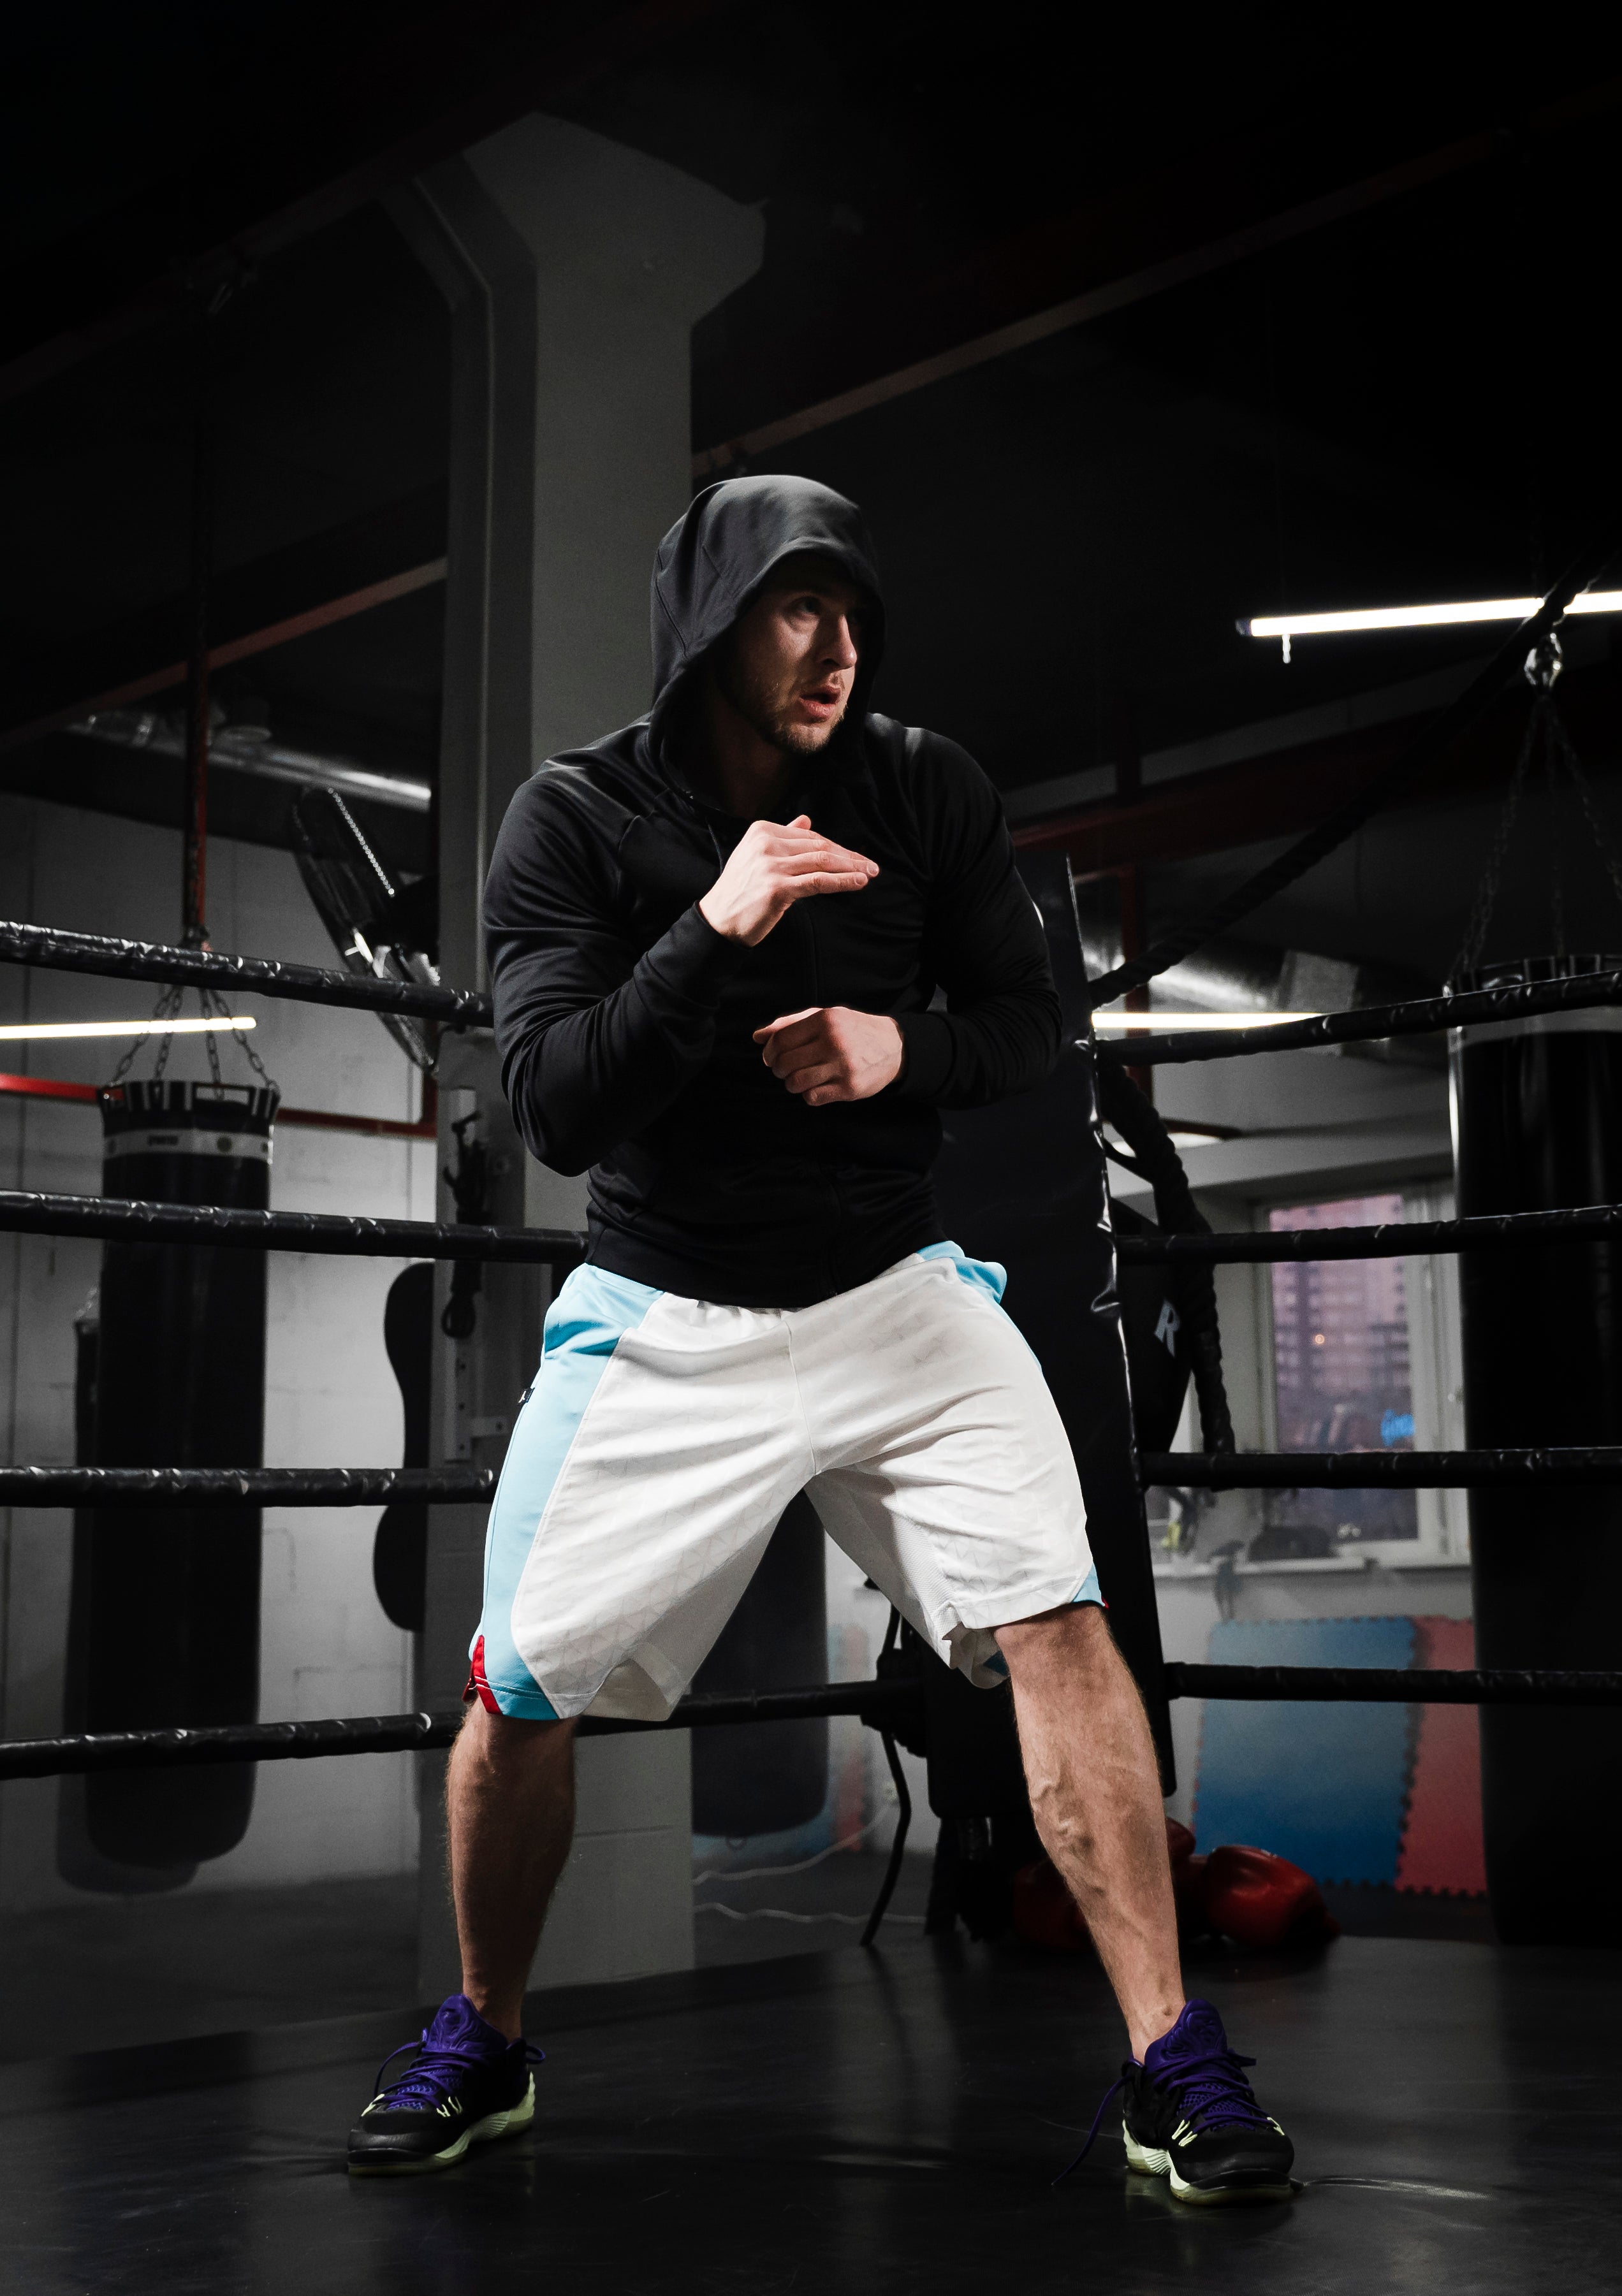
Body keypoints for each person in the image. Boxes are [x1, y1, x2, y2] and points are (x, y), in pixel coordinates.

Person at [343, 474, 1293, 2206]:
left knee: (1062, 1621)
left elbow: (1026, 1021)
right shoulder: (572, 817)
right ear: (713, 624)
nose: (839, 645)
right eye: (799, 606)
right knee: (519, 1685)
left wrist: (892, 1046)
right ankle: (485, 2032)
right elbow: (553, 1103)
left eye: (855, 610)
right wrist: (717, 925)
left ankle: (1172, 2057)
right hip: (663, 1307)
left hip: (892, 1292)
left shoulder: (924, 788)